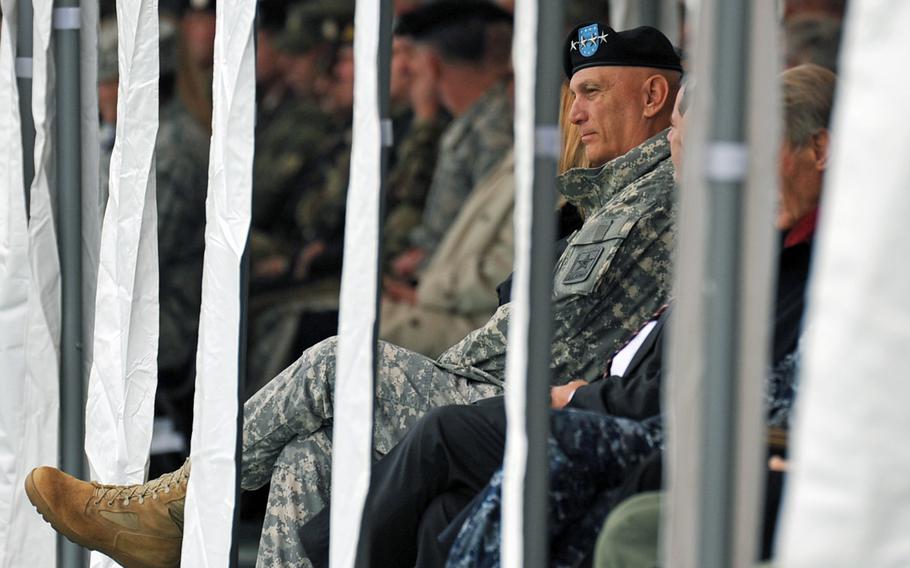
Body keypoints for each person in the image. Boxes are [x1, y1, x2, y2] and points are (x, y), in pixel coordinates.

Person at [24, 21, 682, 568]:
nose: (576, 113)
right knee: (307, 458)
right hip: (507, 390)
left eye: (592, 92)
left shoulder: (657, 197)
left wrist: (441, 368)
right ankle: (172, 507)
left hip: (548, 407)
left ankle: (176, 503)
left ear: (653, 94)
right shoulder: (612, 198)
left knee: (337, 362)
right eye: (575, 95)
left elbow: (554, 333)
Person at [387, 0, 515, 284]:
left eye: (413, 57)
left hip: (455, 294)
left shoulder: (493, 130)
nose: (408, 69)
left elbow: (484, 237)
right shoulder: (472, 121)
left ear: (432, 66)